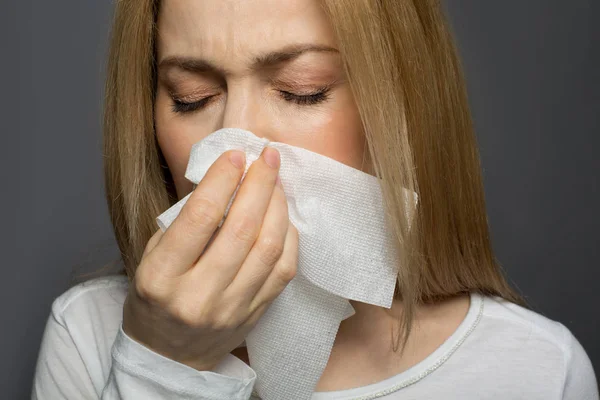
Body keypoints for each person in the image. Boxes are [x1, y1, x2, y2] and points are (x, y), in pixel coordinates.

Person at [32, 0, 598, 399]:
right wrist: (163, 366)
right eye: (191, 98)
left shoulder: (537, 370)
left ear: (399, 104)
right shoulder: (89, 334)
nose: (238, 145)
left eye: (302, 91)